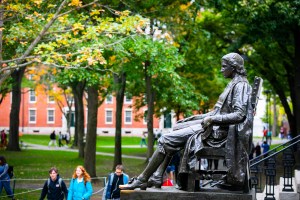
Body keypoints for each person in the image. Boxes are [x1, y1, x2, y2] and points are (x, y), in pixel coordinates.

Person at [120, 52, 253, 190]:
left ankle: (142, 179)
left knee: (165, 139)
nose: (221, 69)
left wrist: (212, 119)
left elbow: (239, 115)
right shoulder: (234, 84)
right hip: (215, 128)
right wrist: (196, 118)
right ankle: (157, 176)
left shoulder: (240, 86)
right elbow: (218, 112)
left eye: (224, 66)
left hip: (219, 134)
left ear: (234, 67)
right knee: (178, 126)